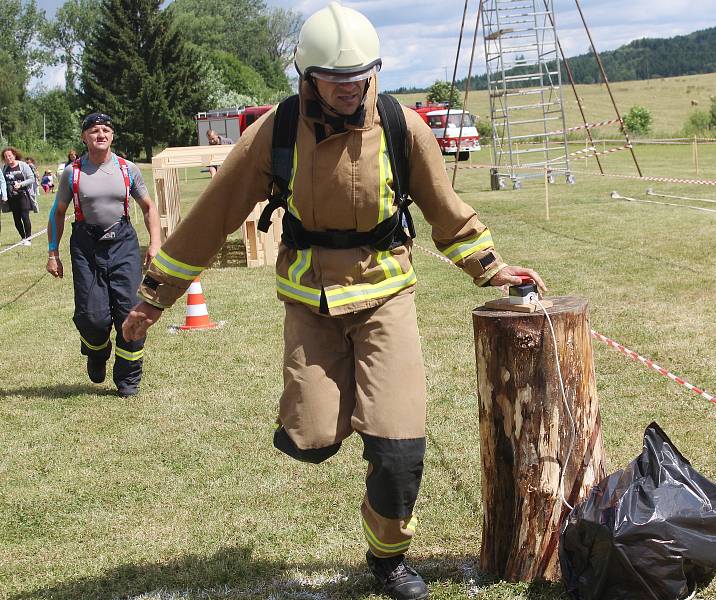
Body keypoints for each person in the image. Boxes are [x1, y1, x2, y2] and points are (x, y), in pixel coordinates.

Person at [122, 4, 546, 599]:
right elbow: (212, 215)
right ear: (307, 76)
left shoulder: (401, 125)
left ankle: (387, 557)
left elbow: (446, 213)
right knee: (312, 437)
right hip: (309, 303)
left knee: (398, 449)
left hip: (384, 296)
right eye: (336, 79)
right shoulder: (277, 129)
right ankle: (328, 422)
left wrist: (492, 268)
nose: (350, 89)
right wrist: (153, 300)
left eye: (360, 77)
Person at [46, 113, 161, 398]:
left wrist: (155, 244)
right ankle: (97, 353)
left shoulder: (127, 169)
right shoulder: (72, 173)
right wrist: (52, 253)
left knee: (130, 312)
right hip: (86, 246)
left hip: (122, 243)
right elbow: (58, 212)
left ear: (112, 136)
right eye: (94, 130)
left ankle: (128, 379)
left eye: (106, 130)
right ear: (84, 137)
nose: (101, 134)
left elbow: (148, 207)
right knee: (92, 316)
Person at [2, 147, 36, 246]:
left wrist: (21, 185)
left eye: (9, 155)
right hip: (12, 197)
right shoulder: (4, 168)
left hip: (23, 195)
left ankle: (29, 239)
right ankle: (23, 238)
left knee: (25, 216)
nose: (8, 158)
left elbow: (31, 178)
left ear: (14, 155)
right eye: (6, 157)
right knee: (16, 219)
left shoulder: (23, 165)